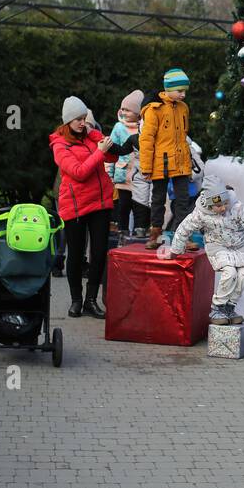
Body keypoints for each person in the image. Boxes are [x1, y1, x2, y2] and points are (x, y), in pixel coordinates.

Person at [159, 175, 244, 325]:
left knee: (243, 275)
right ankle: (218, 306)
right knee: (230, 273)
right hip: (218, 247)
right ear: (209, 204)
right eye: (218, 205)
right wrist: (175, 250)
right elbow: (183, 230)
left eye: (225, 203)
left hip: (240, 247)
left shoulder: (236, 207)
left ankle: (229, 307)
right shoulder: (200, 213)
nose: (223, 208)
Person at [50, 96, 137, 319]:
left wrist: (124, 143)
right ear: (68, 121)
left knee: (99, 254)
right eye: (78, 119)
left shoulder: (91, 135)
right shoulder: (60, 144)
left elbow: (112, 153)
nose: (83, 123)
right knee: (76, 255)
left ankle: (91, 300)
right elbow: (78, 172)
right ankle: (76, 301)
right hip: (76, 206)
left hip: (100, 203)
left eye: (85, 119)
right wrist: (99, 152)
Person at [141, 69, 195, 250]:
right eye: (180, 90)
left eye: (185, 91)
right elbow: (146, 139)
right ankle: (155, 234)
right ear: (168, 88)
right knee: (157, 200)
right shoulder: (154, 109)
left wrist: (187, 166)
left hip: (180, 163)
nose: (183, 94)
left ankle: (182, 236)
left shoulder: (183, 108)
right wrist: (146, 167)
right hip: (159, 163)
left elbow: (183, 139)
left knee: (183, 200)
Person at [108, 90, 149, 237]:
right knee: (123, 206)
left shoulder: (145, 128)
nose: (123, 112)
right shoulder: (118, 128)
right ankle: (122, 232)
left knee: (140, 205)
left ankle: (140, 230)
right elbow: (111, 152)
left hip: (140, 176)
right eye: (122, 109)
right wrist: (109, 175)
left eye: (128, 110)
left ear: (138, 113)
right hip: (123, 176)